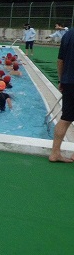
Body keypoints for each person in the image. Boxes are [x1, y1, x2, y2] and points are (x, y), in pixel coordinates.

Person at [49, 28, 74, 162]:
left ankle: (55, 153)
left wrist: (61, 80)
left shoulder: (68, 34)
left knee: (65, 118)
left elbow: (60, 61)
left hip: (69, 82)